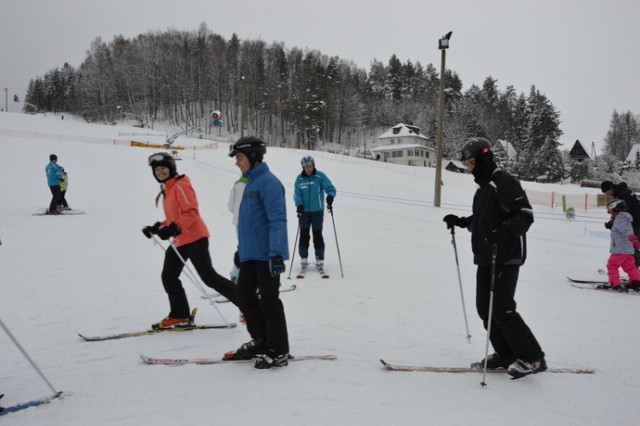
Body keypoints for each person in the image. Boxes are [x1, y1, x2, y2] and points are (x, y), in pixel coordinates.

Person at [443, 137, 546, 379]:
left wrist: (504, 233)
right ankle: (507, 354)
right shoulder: (485, 187)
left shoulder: (503, 181)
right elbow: (484, 220)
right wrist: (462, 222)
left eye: (471, 163)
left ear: (483, 158)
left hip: (506, 255)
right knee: (484, 308)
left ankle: (532, 358)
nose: (469, 168)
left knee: (502, 307)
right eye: (467, 164)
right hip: (487, 256)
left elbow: (524, 214)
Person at [142, 152, 239, 329]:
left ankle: (250, 307)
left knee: (209, 277)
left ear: (171, 168)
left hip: (195, 238)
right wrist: (158, 227)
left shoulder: (180, 185)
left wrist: (174, 228)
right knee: (169, 276)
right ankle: (180, 315)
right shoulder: (168, 189)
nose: (160, 172)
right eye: (157, 170)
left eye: (163, 168)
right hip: (180, 240)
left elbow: (192, 212)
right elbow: (174, 217)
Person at [224, 136, 290, 369]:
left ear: (253, 157)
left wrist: (276, 253)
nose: (237, 163)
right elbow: (246, 223)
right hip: (250, 253)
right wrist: (240, 251)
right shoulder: (248, 184)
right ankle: (262, 341)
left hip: (267, 254)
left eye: (239, 158)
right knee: (244, 296)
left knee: (270, 300)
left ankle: (279, 349)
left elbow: (277, 219)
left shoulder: (269, 183)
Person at [293, 155, 336, 271]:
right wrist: (299, 205)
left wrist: (330, 196)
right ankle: (304, 258)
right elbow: (297, 194)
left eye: (310, 166)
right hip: (305, 212)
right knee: (304, 235)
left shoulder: (320, 176)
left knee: (317, 235)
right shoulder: (299, 179)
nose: (308, 169)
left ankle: (319, 258)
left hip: (317, 211)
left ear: (313, 165)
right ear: (303, 167)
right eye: (306, 167)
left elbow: (330, 187)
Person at [600, 199, 640, 292]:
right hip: (627, 249)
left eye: (610, 210)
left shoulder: (620, 219)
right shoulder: (623, 218)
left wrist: (632, 238)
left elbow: (626, 230)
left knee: (612, 266)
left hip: (620, 249)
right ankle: (636, 282)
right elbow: (622, 229)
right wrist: (610, 225)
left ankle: (615, 284)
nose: (609, 213)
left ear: (615, 209)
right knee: (630, 267)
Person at [601, 180, 640, 267]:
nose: (606, 194)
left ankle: (637, 271)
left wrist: (613, 224)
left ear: (611, 188)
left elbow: (622, 214)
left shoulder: (622, 195)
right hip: (634, 222)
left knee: (632, 247)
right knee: (631, 247)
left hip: (637, 223)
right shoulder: (622, 193)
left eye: (606, 192)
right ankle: (635, 271)